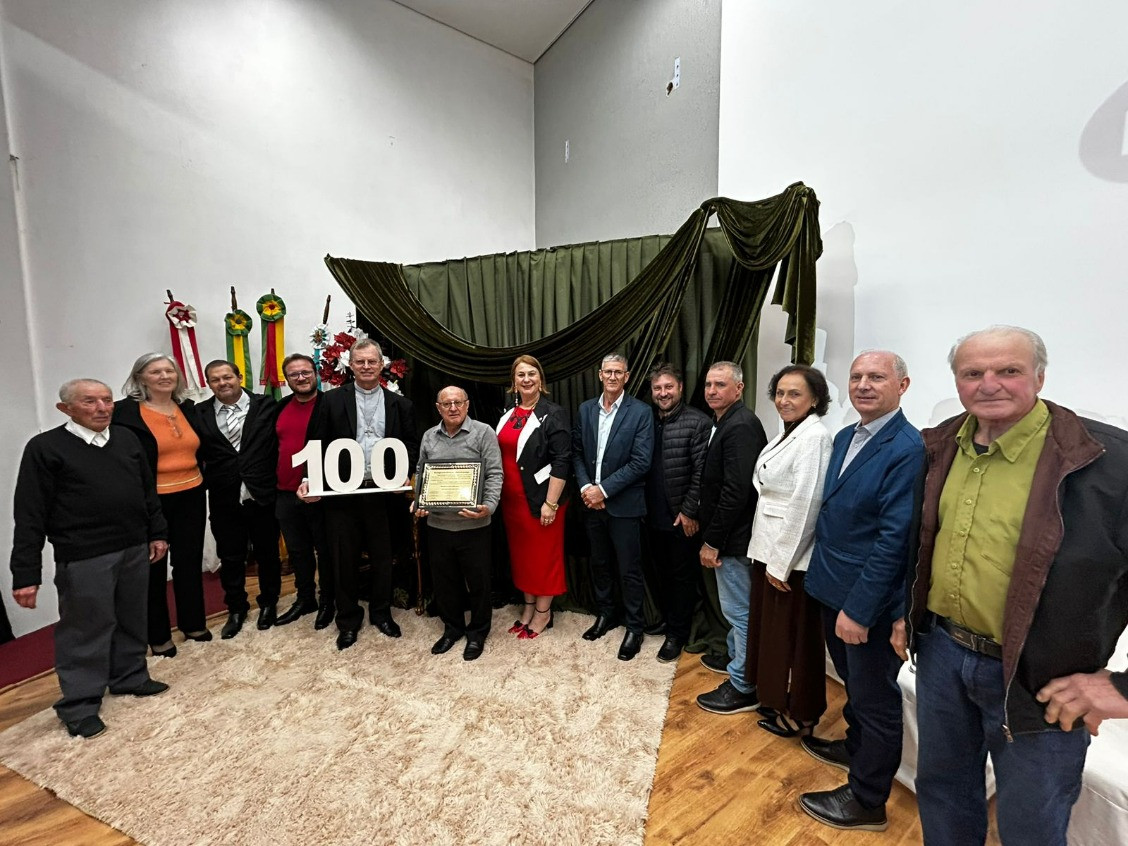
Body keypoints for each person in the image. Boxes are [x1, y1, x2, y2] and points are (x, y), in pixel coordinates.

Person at [897, 326, 1128, 846]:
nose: (989, 384)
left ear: (1040, 377)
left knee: (1030, 827)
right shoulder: (940, 446)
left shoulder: (1109, 462)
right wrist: (905, 616)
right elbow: (924, 543)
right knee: (943, 793)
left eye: (1009, 370)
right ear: (956, 381)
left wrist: (1122, 688)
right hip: (941, 656)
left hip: (1039, 683)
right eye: (972, 372)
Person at [798, 352, 923, 832]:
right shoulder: (847, 435)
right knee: (855, 686)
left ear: (902, 385)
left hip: (864, 603)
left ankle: (868, 799)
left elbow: (894, 540)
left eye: (876, 377)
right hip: (831, 587)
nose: (864, 385)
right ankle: (855, 748)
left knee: (876, 702)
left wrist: (860, 609)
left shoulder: (907, 448)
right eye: (856, 377)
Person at [10, 379, 170, 739]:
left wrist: (157, 532)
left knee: (131, 616)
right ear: (65, 408)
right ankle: (80, 703)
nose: (102, 408)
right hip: (84, 555)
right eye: (89, 402)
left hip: (134, 546)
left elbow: (147, 491)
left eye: (107, 400)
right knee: (87, 628)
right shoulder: (45, 448)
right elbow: (30, 513)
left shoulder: (126, 439)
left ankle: (129, 676)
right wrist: (25, 573)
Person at [735, 364, 833, 738]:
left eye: (794, 393)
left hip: (790, 561)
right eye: (779, 393)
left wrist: (781, 564)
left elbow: (807, 503)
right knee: (774, 637)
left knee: (795, 641)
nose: (784, 400)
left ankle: (802, 714)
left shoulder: (815, 437)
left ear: (815, 399)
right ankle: (778, 700)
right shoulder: (789, 433)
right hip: (768, 550)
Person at [305, 339, 419, 651]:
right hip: (342, 492)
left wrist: (404, 472)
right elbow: (316, 442)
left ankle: (381, 613)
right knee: (344, 558)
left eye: (372, 361)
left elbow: (411, 444)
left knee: (383, 556)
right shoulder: (330, 401)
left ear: (382, 365)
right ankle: (347, 620)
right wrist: (309, 479)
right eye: (360, 362)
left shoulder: (401, 405)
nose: (366, 367)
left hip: (383, 492)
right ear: (350, 365)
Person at [112, 352, 209, 656]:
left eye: (169, 371)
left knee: (189, 562)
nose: (165, 376)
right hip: (150, 501)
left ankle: (193, 623)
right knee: (153, 568)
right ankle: (158, 635)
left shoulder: (188, 408)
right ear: (140, 377)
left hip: (191, 494)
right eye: (155, 371)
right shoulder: (124, 413)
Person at [695, 361, 768, 714]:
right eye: (709, 384)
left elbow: (736, 491)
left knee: (740, 611)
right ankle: (735, 658)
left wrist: (713, 541)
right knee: (735, 608)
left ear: (739, 389)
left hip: (734, 539)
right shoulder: (726, 420)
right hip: (731, 536)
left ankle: (743, 685)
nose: (712, 391)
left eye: (720, 385)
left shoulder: (740, 426)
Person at [572, 353, 654, 661]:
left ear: (627, 376)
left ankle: (635, 627)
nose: (612, 377)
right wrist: (586, 488)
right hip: (590, 504)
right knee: (600, 564)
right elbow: (576, 453)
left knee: (629, 569)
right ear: (600, 374)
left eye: (618, 372)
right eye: (608, 371)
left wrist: (603, 490)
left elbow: (641, 462)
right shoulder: (586, 409)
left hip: (624, 506)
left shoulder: (641, 412)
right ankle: (606, 614)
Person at [414, 387, 504, 660]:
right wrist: (419, 500)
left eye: (458, 402)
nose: (453, 408)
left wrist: (489, 506)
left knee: (479, 583)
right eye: (447, 403)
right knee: (445, 583)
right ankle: (452, 629)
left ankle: (478, 633)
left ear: (467, 405)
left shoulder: (483, 432)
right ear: (438, 408)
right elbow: (421, 472)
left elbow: (495, 473)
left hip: (475, 525)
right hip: (438, 526)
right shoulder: (429, 436)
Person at [194, 360, 282, 639]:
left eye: (227, 377)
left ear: (239, 377)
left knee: (268, 554)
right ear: (209, 384)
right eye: (215, 379)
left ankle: (268, 603)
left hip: (262, 495)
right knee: (230, 557)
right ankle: (236, 608)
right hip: (224, 497)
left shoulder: (266, 405)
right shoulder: (199, 413)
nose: (222, 383)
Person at [643, 363, 716, 663]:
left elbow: (703, 473)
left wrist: (688, 512)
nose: (663, 393)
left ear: (681, 388)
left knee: (682, 579)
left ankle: (677, 634)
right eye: (657, 388)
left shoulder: (698, 422)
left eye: (668, 387)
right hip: (651, 516)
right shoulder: (648, 420)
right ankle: (666, 622)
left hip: (681, 519)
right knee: (661, 575)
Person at [494, 355, 571, 639]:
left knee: (543, 558)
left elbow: (562, 460)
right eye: (521, 375)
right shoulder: (508, 412)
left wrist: (551, 503)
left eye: (531, 374)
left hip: (542, 500)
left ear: (540, 379)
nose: (526, 379)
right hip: (512, 501)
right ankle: (528, 607)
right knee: (523, 557)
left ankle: (543, 612)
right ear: (513, 382)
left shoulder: (553, 413)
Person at [273, 353, 332, 629]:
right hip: (284, 492)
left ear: (315, 373)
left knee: (326, 550)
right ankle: (305, 598)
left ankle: (328, 600)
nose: (301, 378)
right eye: (294, 374)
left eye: (306, 372)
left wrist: (320, 482)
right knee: (298, 551)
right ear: (287, 379)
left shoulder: (330, 405)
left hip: (320, 492)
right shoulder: (280, 407)